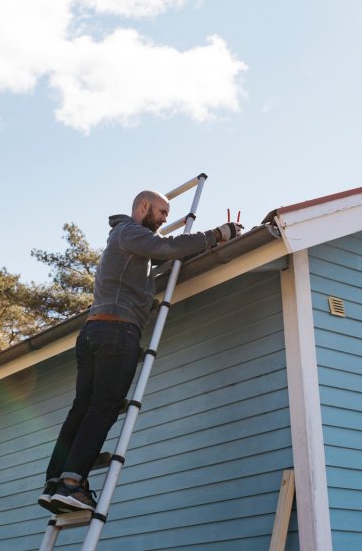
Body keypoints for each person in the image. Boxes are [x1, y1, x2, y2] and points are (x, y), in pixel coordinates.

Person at [38, 190, 243, 513]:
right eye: (161, 212)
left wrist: (210, 243)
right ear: (143, 207)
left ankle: (56, 481)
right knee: (103, 408)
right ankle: (73, 484)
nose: (164, 218)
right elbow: (169, 247)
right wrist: (218, 234)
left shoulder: (128, 244)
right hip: (117, 330)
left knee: (84, 408)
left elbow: (170, 254)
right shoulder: (130, 231)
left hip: (94, 331)